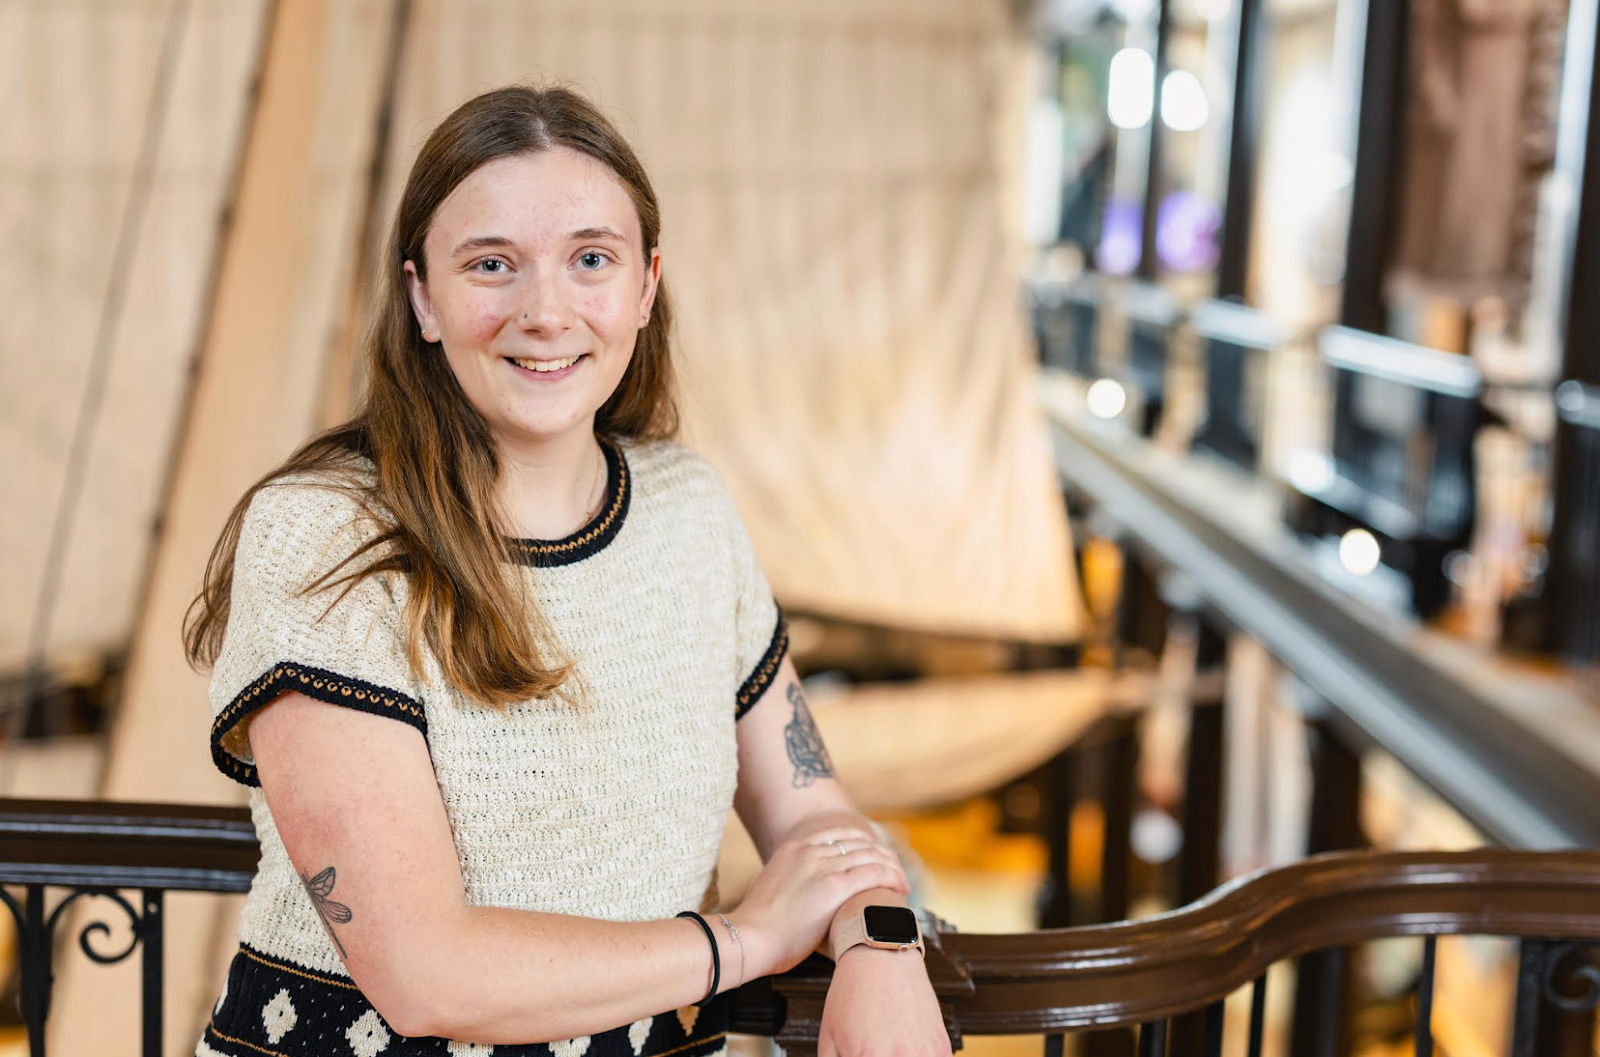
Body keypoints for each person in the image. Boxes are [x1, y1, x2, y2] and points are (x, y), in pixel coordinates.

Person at [184, 85, 952, 1057]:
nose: (545, 311)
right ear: (423, 296)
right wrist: (747, 939)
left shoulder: (687, 510)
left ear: (645, 286)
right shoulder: (323, 531)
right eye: (492, 265)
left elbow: (815, 816)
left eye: (591, 259)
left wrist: (877, 944)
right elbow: (425, 974)